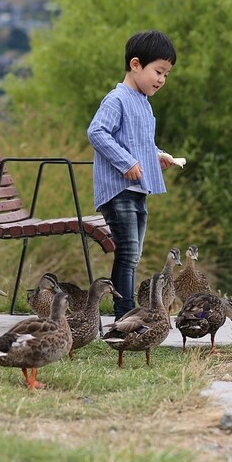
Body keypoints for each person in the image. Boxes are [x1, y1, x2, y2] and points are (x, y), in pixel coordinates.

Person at [88, 30, 178, 319]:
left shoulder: (143, 104)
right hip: (117, 189)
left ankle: (125, 311)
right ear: (136, 64)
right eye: (158, 71)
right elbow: (97, 132)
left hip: (138, 189)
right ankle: (123, 313)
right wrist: (126, 162)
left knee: (133, 254)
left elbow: (141, 143)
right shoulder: (117, 99)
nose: (162, 80)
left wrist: (158, 155)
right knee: (127, 252)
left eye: (166, 74)